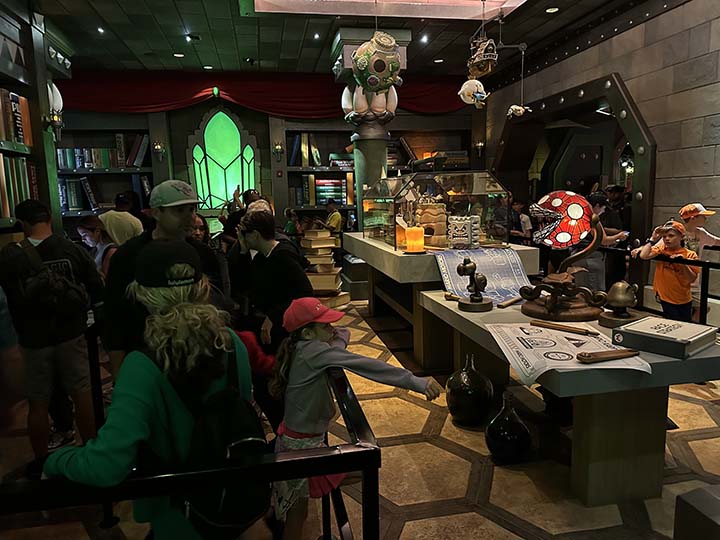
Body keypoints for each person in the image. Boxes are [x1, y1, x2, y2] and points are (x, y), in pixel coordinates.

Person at [44, 241, 269, 540]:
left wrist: (56, 461)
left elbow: (106, 465)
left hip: (178, 516)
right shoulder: (231, 344)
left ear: (142, 295)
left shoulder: (141, 366)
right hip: (230, 506)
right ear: (202, 288)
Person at [270, 297, 443, 539]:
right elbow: (364, 364)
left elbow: (341, 335)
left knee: (299, 513)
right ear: (307, 333)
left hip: (298, 440)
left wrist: (334, 342)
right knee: (297, 518)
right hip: (301, 447)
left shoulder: (304, 348)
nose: (331, 328)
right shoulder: (314, 352)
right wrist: (416, 382)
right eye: (325, 326)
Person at [0, 200, 103, 463]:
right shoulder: (72, 249)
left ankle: (42, 461)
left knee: (38, 403)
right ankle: (91, 452)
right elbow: (96, 288)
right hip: (72, 333)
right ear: (48, 218)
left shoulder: (10, 257)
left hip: (33, 340)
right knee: (82, 393)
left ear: (22, 223)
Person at [104, 180, 221, 375]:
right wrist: (118, 368)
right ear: (156, 213)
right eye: (179, 211)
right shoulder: (128, 255)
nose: (190, 217)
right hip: (144, 355)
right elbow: (115, 314)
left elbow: (216, 303)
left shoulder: (203, 254)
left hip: (197, 356)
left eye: (192, 210)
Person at [229, 210, 313, 432]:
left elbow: (304, 293)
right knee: (265, 386)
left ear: (255, 234)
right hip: (266, 331)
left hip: (281, 334)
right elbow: (242, 284)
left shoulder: (283, 256)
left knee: (273, 386)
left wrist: (273, 317)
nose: (241, 238)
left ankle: (288, 430)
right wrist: (242, 250)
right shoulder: (261, 257)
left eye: (244, 234)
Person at [637, 220, 699, 322]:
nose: (667, 239)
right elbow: (644, 256)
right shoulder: (661, 249)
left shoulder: (690, 255)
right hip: (666, 298)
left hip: (684, 298)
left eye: (671, 236)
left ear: (681, 237)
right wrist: (652, 239)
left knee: (684, 324)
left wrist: (682, 263)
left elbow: (691, 278)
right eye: (664, 236)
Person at [572, 192, 628, 292]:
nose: (603, 211)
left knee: (581, 289)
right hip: (591, 257)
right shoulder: (592, 219)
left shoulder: (578, 216)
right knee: (593, 291)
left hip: (578, 255)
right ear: (597, 206)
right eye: (603, 208)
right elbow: (604, 240)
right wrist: (619, 236)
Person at [679, 203, 720, 320]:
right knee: (684, 311)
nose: (706, 218)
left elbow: (717, 241)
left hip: (694, 280)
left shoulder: (701, 233)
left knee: (702, 308)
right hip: (679, 280)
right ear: (693, 218)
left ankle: (690, 327)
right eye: (703, 216)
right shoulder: (677, 231)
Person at [191, 213, 231, 297]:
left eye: (202, 229)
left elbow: (224, 284)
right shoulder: (182, 252)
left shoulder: (214, 254)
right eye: (193, 228)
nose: (198, 233)